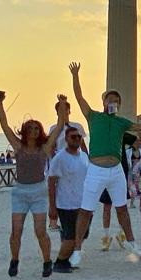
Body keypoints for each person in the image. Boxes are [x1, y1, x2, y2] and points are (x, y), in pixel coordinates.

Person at [68, 63, 141, 266]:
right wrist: (75, 75)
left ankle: (131, 242)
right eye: (110, 100)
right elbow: (79, 98)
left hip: (116, 171)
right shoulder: (94, 116)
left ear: (119, 105)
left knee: (122, 209)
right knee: (86, 211)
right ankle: (77, 250)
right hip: (95, 170)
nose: (113, 103)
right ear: (104, 102)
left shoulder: (121, 122)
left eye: (116, 101)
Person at [0, 89, 62, 278]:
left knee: (40, 231)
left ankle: (47, 261)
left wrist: (62, 107)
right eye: (30, 128)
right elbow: (5, 127)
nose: (33, 131)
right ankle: (14, 260)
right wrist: (0, 104)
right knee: (16, 231)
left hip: (39, 191)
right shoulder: (18, 147)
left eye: (36, 128)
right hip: (20, 192)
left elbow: (59, 127)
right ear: (25, 131)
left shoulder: (45, 148)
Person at [48, 125, 89, 273]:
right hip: (66, 204)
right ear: (66, 139)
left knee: (83, 234)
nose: (77, 139)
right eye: (73, 137)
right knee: (71, 237)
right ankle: (60, 262)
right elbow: (51, 182)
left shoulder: (84, 156)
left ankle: (68, 259)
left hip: (83, 204)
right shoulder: (60, 158)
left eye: (79, 136)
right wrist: (52, 207)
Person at [46, 97, 86, 232]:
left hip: (75, 162)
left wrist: (86, 161)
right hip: (59, 161)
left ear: (69, 111)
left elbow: (83, 146)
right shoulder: (54, 128)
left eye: (65, 110)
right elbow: (51, 146)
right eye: (60, 111)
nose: (63, 113)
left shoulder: (77, 127)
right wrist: (54, 161)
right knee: (55, 191)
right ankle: (53, 221)